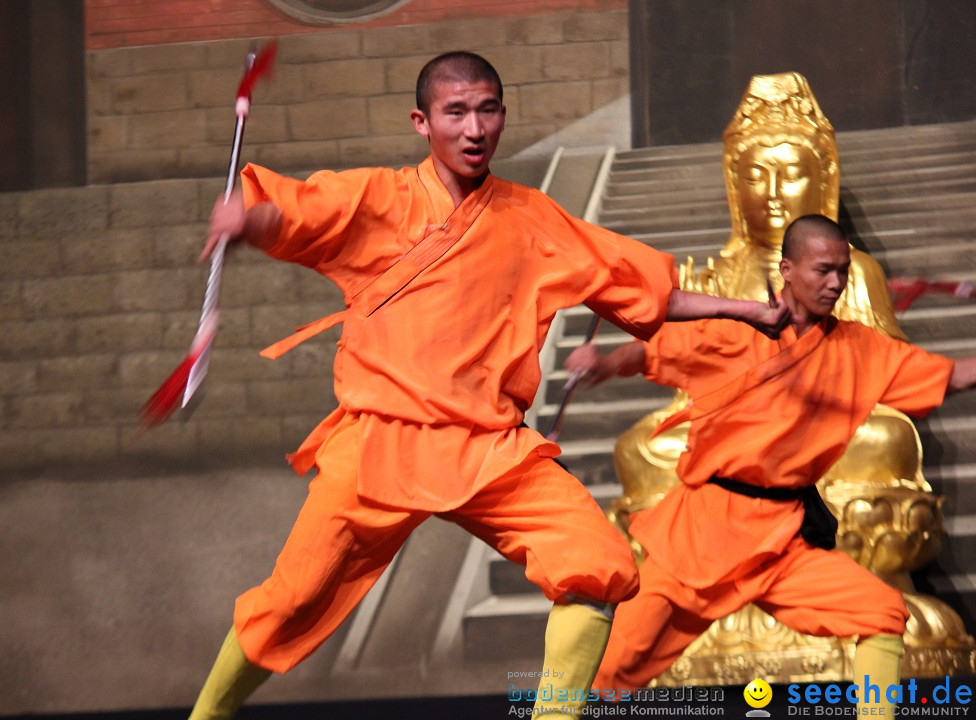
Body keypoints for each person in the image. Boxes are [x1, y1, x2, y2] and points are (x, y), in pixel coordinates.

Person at [188, 51, 789, 720]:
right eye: (456, 112)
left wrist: (753, 311)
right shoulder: (381, 198)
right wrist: (246, 220)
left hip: (489, 448)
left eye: (488, 109)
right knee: (291, 602)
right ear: (422, 121)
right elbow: (293, 215)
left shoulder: (533, 219)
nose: (475, 128)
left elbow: (644, 290)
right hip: (381, 442)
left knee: (597, 564)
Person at [567, 213, 976, 716]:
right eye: (823, 270)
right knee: (609, 671)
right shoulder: (737, 329)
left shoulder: (859, 348)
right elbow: (647, 353)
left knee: (882, 610)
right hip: (702, 532)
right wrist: (601, 365)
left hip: (781, 542)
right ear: (787, 269)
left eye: (843, 271)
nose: (836, 283)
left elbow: (953, 376)